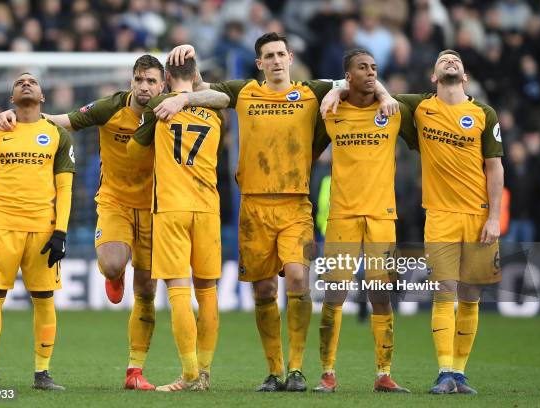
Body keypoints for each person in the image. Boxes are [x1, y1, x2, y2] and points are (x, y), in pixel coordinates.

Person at [159, 33, 399, 392]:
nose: (274, 61)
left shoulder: (310, 91)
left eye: (279, 54)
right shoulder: (245, 91)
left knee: (299, 279)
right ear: (260, 63)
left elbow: (358, 79)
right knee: (264, 289)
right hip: (254, 204)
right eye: (267, 56)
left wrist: (380, 93)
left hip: (295, 204)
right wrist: (187, 88)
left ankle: (298, 369)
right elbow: (207, 89)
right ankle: (274, 371)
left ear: (290, 57)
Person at [0, 55, 227, 390]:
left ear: (163, 85)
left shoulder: (170, 108)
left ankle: (135, 371)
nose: (144, 87)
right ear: (131, 81)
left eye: (151, 81)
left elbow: (220, 98)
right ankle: (112, 276)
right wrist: (22, 116)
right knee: (113, 263)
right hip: (115, 203)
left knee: (146, 290)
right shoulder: (110, 107)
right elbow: (65, 121)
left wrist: (185, 96)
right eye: (138, 80)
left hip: (155, 208)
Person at [395, 50, 504, 394]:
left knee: (471, 295)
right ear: (433, 76)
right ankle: (444, 371)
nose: (451, 61)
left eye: (456, 59)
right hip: (439, 216)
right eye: (443, 59)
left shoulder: (484, 114)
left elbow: (495, 168)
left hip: (477, 215)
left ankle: (459, 373)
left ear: (466, 77)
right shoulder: (422, 107)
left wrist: (495, 217)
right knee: (445, 290)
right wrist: (337, 89)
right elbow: (379, 94)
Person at [313, 49, 416, 393]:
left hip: (382, 216)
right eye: (363, 68)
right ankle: (327, 374)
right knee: (334, 295)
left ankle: (383, 374)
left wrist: (385, 93)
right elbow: (312, 88)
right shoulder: (332, 110)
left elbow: (394, 94)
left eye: (374, 67)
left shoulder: (392, 111)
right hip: (342, 215)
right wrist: (336, 89)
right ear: (348, 75)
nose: (371, 73)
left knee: (381, 295)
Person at [0, 73, 75, 390]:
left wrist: (61, 232)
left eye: (33, 81)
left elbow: (65, 189)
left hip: (42, 228)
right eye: (19, 82)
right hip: (1, 226)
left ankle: (42, 374)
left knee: (44, 299)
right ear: (12, 98)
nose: (26, 83)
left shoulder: (57, 135)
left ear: (42, 96)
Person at [127, 57, 227, 392]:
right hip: (208, 207)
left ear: (166, 77)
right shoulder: (215, 113)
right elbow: (221, 97)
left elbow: (131, 152)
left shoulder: (159, 108)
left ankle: (188, 374)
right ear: (197, 77)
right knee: (208, 292)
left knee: (178, 292)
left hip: (171, 208)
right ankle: (206, 373)